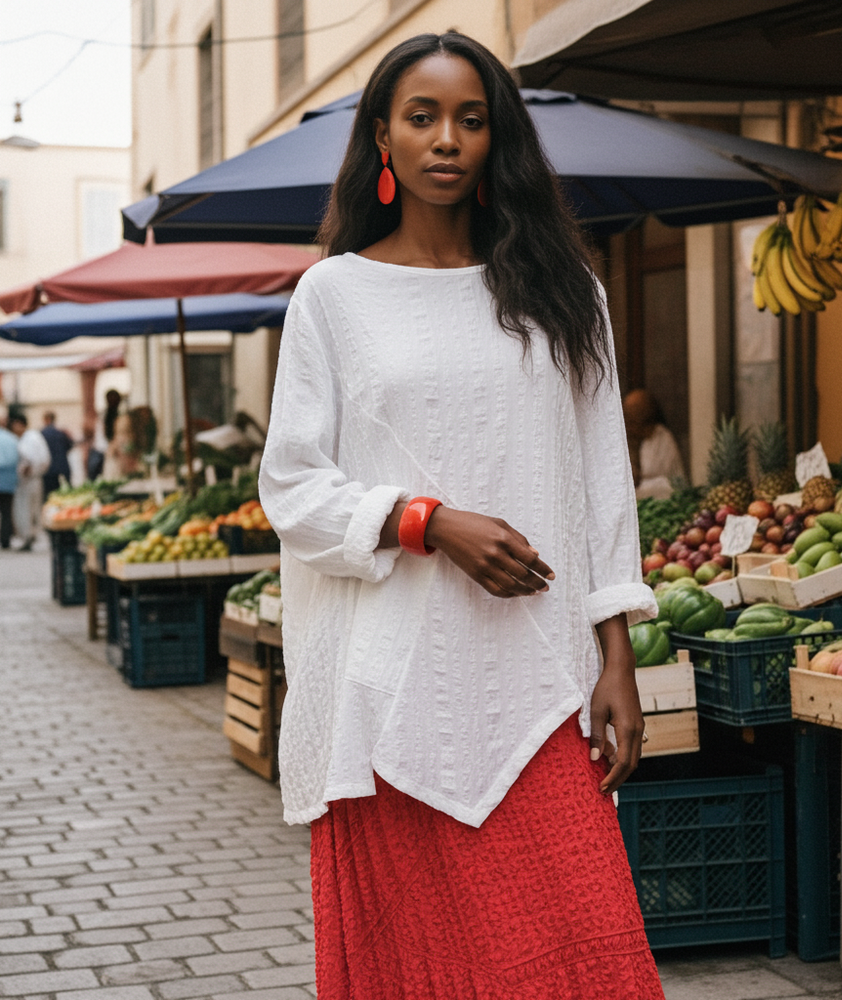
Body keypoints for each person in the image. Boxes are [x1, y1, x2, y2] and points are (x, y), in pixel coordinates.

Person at [258, 32, 662, 999]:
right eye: (423, 117)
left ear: (498, 140)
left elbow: (602, 485)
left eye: (471, 119)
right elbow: (293, 486)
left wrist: (617, 657)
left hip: (537, 677)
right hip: (389, 683)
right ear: (383, 142)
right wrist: (425, 521)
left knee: (584, 953)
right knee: (422, 972)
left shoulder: (567, 295)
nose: (448, 139)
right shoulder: (333, 296)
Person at [623, 387, 686, 498]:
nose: (629, 425)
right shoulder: (622, 439)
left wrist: (640, 482)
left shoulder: (663, 438)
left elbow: (672, 483)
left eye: (633, 419)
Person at [8, 414, 50, 551]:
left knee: (26, 510)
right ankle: (29, 536)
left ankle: (28, 537)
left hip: (30, 480)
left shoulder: (29, 438)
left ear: (19, 424)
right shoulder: (32, 436)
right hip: (33, 479)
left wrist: (28, 470)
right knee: (30, 509)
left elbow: (32, 459)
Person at [40, 411, 74, 498]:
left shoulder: (41, 434)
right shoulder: (61, 433)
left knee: (50, 496)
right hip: (62, 467)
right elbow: (70, 445)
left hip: (48, 470)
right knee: (65, 495)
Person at [0, 418, 18, 550]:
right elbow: (15, 459)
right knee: (6, 512)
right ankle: (5, 540)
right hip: (8, 482)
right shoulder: (12, 439)